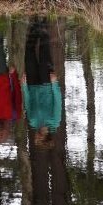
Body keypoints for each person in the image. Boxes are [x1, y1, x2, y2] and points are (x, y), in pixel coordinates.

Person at [21, 16, 61, 150]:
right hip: (46, 83)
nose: (35, 138)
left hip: (31, 84)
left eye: (36, 139)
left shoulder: (33, 123)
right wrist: (55, 84)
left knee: (29, 52)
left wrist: (24, 86)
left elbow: (27, 103)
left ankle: (34, 22)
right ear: (45, 137)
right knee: (44, 50)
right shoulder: (54, 122)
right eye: (38, 139)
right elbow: (58, 102)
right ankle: (44, 19)